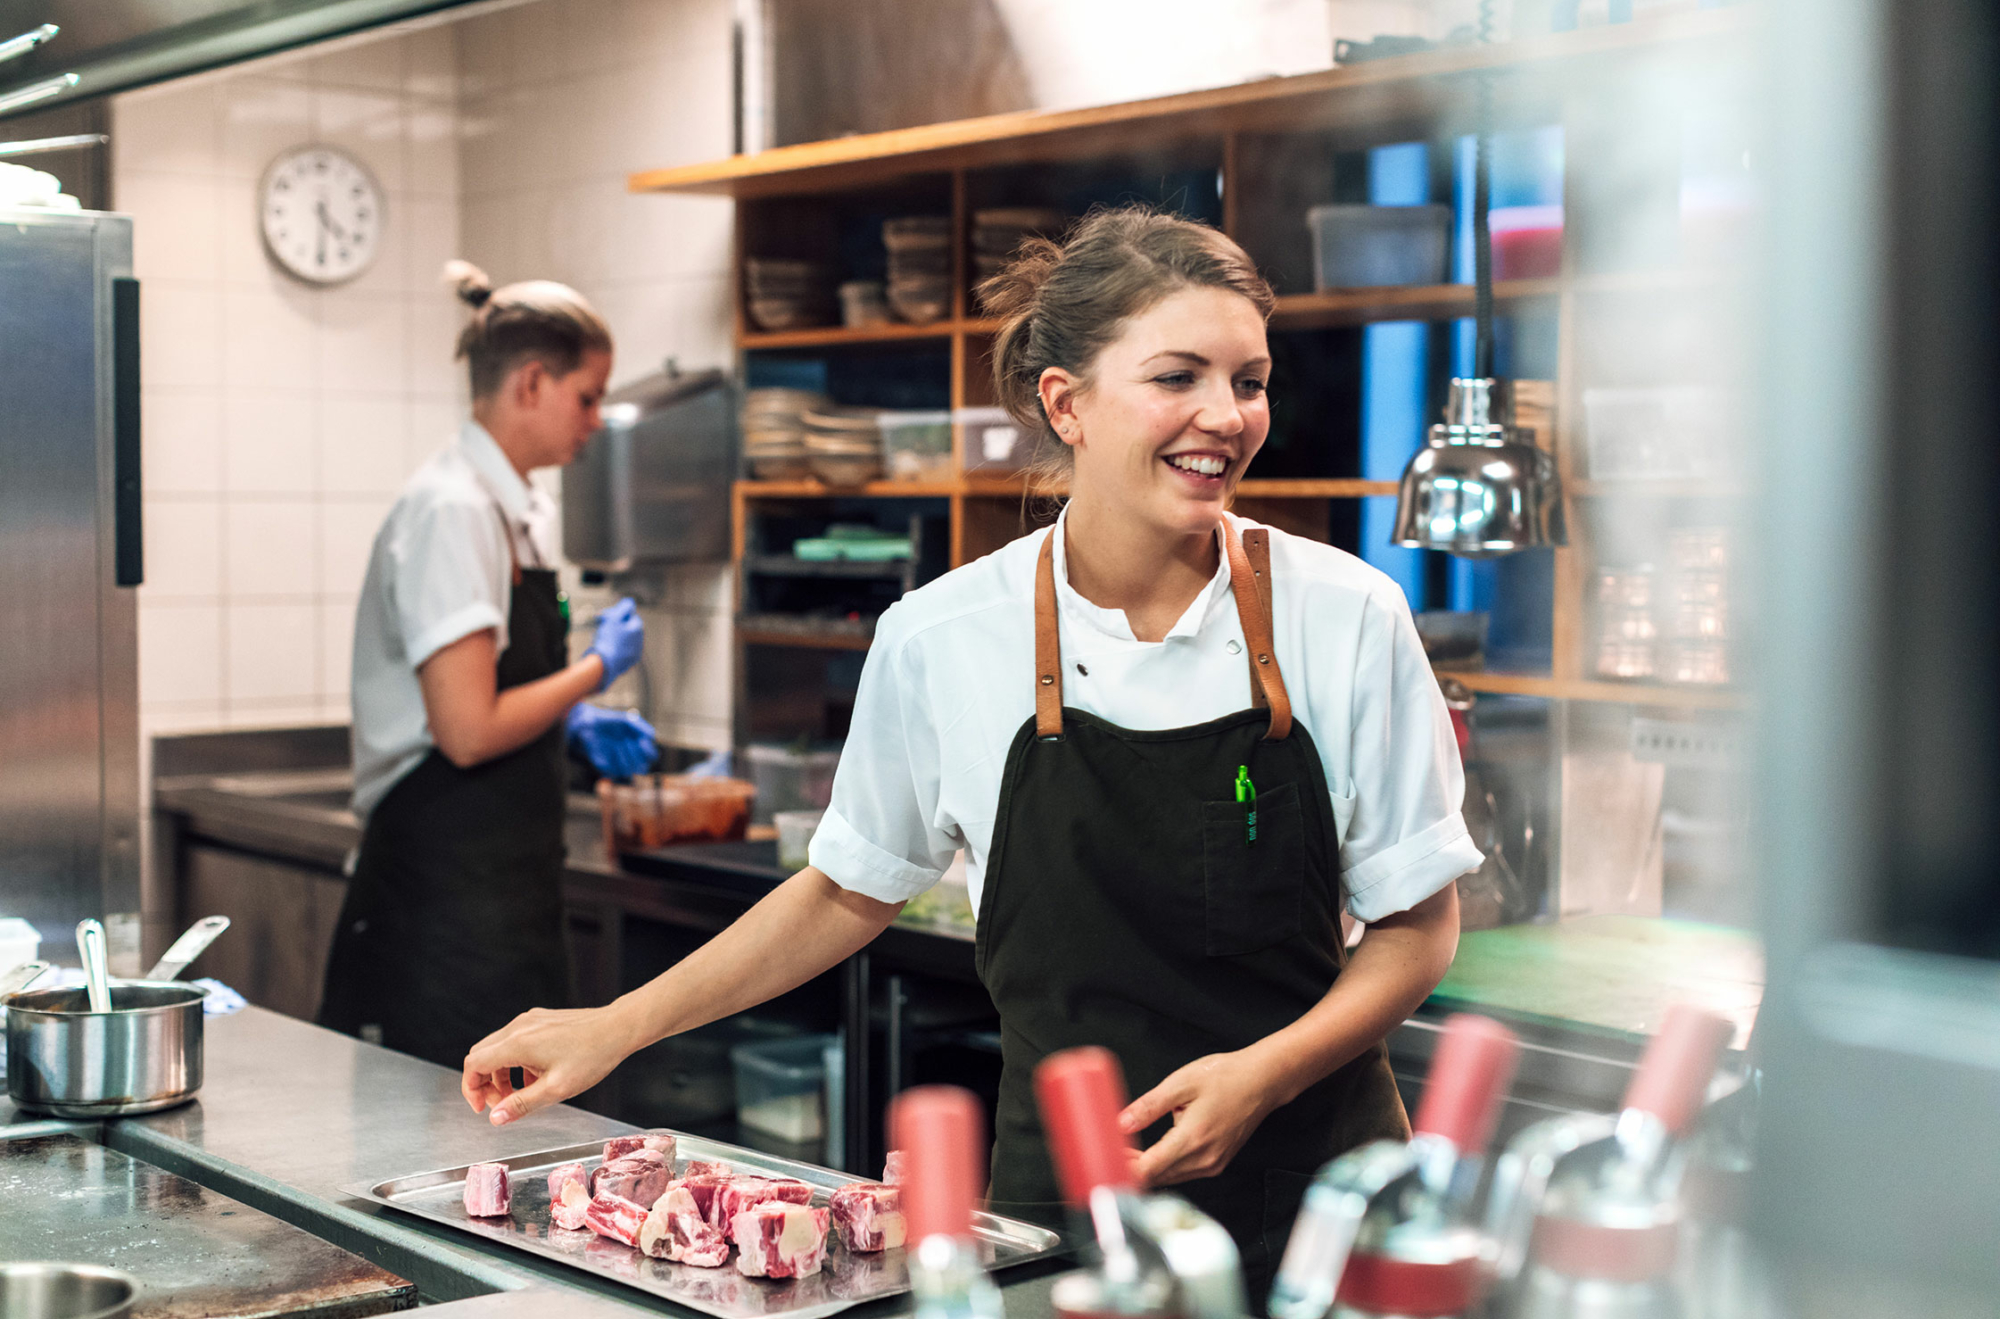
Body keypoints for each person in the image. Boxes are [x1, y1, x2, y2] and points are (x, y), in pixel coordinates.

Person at [459, 209, 1478, 1299]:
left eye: (1248, 379)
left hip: (1321, 1203)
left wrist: (1261, 1076)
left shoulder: (1345, 614)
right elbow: (844, 890)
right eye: (1177, 375)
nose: (1224, 416)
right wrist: (616, 1025)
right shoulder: (945, 637)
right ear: (1064, 402)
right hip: (1068, 1208)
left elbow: (1418, 925)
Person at [319, 261, 660, 1069]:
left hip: (501, 892)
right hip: (442, 901)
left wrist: (572, 726)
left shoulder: (514, 509)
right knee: (445, 1140)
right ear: (533, 383)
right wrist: (593, 673)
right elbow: (467, 729)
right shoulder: (454, 510)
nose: (596, 419)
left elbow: (495, 692)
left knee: (512, 1141)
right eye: (588, 396)